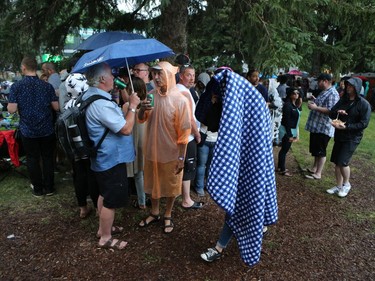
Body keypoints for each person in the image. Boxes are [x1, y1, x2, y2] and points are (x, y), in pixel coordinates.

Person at [199, 69, 277, 266]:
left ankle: (219, 247)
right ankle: (256, 225)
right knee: (244, 203)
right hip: (247, 164)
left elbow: (255, 140)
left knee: (239, 206)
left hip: (251, 165)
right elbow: (209, 119)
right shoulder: (240, 99)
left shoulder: (251, 101)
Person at [84, 63, 140, 250]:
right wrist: (132, 107)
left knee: (104, 193)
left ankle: (103, 229)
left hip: (102, 157)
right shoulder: (101, 104)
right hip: (110, 158)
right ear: (102, 79)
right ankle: (105, 238)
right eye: (111, 74)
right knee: (111, 200)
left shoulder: (92, 96)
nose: (114, 77)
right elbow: (125, 129)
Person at [138, 61, 191, 234]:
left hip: (172, 153)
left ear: (169, 75)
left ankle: (167, 213)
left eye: (160, 74)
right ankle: (154, 211)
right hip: (152, 150)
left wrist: (182, 158)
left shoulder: (180, 100)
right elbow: (141, 119)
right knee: (154, 182)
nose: (156, 77)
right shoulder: (150, 95)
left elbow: (184, 133)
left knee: (171, 184)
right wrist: (141, 109)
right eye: (154, 74)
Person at [7, 57, 59, 197]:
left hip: (28, 130)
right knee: (48, 158)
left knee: (32, 158)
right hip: (47, 128)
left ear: (23, 68)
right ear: (35, 68)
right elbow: (56, 107)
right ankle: (49, 188)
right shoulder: (47, 86)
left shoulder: (16, 87)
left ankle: (38, 189)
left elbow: (11, 110)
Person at [327, 77, 371, 197]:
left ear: (356, 87)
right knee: (336, 161)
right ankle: (338, 186)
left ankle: (346, 184)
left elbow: (364, 123)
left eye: (351, 86)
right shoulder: (343, 100)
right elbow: (332, 112)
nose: (348, 88)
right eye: (347, 85)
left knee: (343, 161)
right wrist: (338, 112)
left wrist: (347, 127)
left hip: (352, 137)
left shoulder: (364, 104)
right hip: (340, 134)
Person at [63, 73, 98, 218]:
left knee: (78, 176)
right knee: (92, 176)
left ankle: (83, 208)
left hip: (73, 147)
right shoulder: (86, 102)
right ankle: (97, 208)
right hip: (87, 145)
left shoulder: (67, 105)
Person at [176, 64, 203, 209]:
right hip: (188, 136)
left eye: (193, 75)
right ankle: (186, 199)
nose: (192, 78)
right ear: (181, 75)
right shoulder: (183, 92)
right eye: (188, 75)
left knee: (184, 165)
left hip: (183, 135)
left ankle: (181, 196)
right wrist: (197, 134)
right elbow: (189, 118)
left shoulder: (182, 90)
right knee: (188, 166)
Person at [304, 73, 339, 180]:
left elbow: (331, 111)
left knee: (321, 151)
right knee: (315, 150)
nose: (317, 83)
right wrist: (315, 100)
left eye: (319, 81)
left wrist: (315, 107)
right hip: (317, 126)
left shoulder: (333, 93)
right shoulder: (325, 91)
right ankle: (314, 168)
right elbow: (323, 105)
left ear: (325, 81)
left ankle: (318, 173)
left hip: (324, 127)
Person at [123, 76, 147, 209]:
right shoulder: (148, 104)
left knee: (134, 173)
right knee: (141, 173)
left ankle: (131, 198)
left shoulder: (127, 106)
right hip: (145, 141)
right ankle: (143, 200)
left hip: (131, 141)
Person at [277, 88, 301, 176]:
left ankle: (280, 167)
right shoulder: (288, 105)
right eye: (294, 93)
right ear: (290, 94)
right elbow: (286, 120)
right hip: (287, 130)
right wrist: (290, 135)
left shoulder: (294, 105)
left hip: (291, 130)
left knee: (284, 150)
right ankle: (282, 169)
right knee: (284, 150)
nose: (296, 95)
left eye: (297, 93)